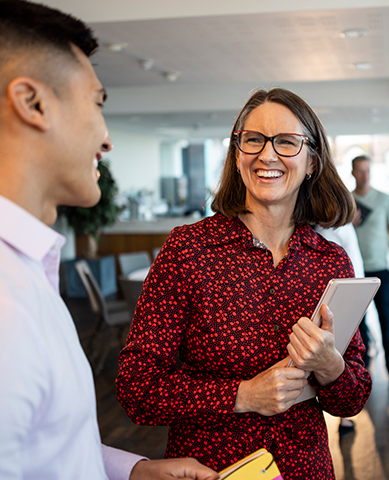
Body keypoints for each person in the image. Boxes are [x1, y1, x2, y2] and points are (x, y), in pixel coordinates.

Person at [0, 1, 219, 479]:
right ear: (33, 103)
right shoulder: (6, 304)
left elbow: (52, 446)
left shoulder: (30, 270)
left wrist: (135, 470)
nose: (107, 138)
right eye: (97, 103)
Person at [116, 88, 372, 480]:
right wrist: (242, 396)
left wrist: (330, 366)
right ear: (237, 156)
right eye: (253, 140)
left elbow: (353, 398)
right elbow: (138, 388)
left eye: (287, 142)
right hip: (211, 469)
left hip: (306, 468)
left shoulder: (330, 260)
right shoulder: (188, 249)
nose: (267, 155)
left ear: (311, 163)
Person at [351, 155, 389, 399]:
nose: (365, 175)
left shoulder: (384, 200)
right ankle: (362, 377)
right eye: (360, 171)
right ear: (353, 173)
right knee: (358, 327)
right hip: (353, 274)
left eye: (368, 171)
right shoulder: (346, 201)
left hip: (380, 270)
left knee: (386, 323)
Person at [313, 222, 364, 438]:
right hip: (333, 295)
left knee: (341, 349)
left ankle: (345, 420)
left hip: (345, 293)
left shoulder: (337, 232)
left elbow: (353, 268)